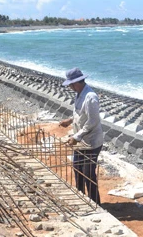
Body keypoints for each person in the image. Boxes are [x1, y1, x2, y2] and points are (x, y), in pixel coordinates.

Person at [59, 67, 103, 205]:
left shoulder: (91, 98)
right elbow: (80, 114)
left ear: (75, 83)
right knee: (78, 170)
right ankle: (81, 199)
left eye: (70, 85)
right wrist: (70, 120)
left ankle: (95, 204)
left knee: (88, 174)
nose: (70, 87)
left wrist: (77, 136)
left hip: (91, 143)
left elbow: (93, 121)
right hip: (80, 141)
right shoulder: (79, 94)